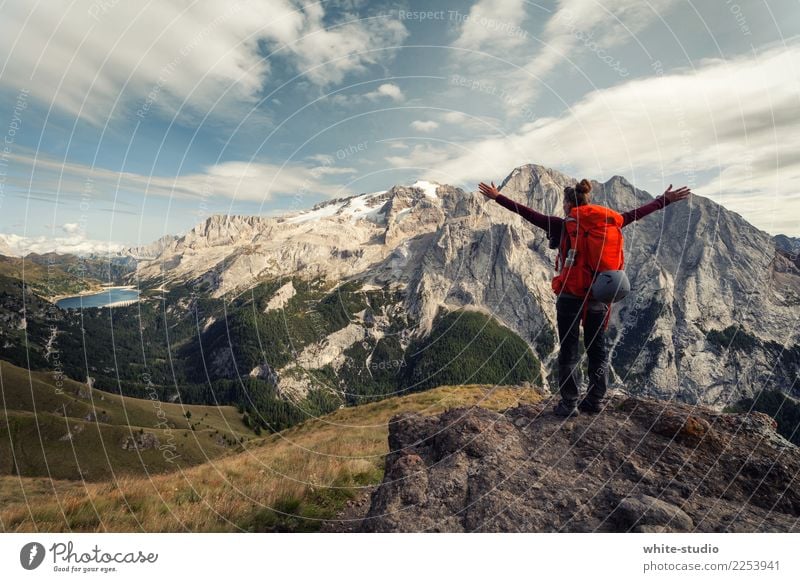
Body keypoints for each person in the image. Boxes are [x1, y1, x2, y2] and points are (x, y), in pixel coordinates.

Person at [478, 177, 691, 417]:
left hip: (570, 295)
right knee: (597, 349)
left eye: (564, 204)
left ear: (569, 204)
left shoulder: (562, 224)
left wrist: (497, 198)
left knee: (569, 350)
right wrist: (664, 200)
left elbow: (527, 213)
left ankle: (569, 404)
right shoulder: (611, 222)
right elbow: (637, 213)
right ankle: (596, 400)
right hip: (600, 294)